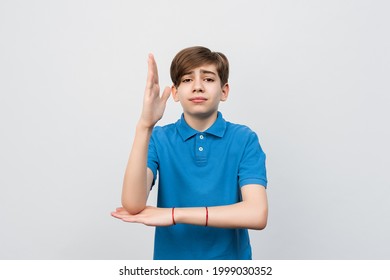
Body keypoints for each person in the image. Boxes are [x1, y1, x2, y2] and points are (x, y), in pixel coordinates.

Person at [111, 46, 268, 260]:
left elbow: (257, 214)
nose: (197, 87)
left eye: (209, 79)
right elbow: (133, 204)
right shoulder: (159, 138)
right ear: (175, 92)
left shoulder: (244, 139)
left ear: (224, 91)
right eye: (186, 80)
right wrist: (144, 126)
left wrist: (174, 214)